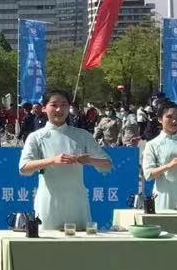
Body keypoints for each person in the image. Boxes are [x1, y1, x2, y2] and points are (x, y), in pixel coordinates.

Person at [19, 88, 114, 230]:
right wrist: (52, 160)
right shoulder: (36, 137)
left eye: (64, 105)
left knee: (79, 241)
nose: (59, 109)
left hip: (77, 203)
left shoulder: (82, 135)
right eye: (54, 105)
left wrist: (89, 160)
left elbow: (107, 164)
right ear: (44, 108)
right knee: (47, 242)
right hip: (49, 203)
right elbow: (24, 168)